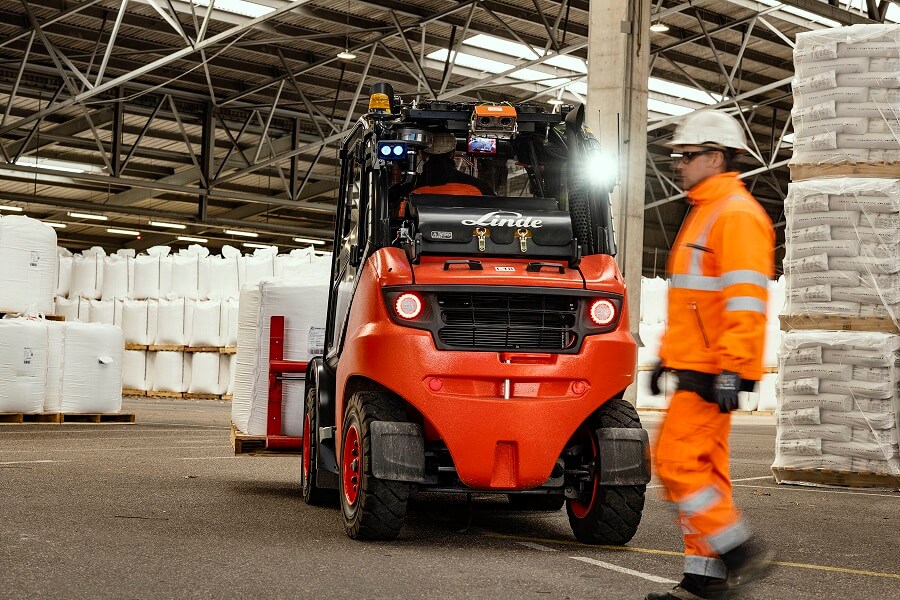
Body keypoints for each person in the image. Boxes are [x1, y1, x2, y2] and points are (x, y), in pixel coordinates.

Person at [647, 110, 775, 600]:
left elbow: (746, 300)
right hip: (697, 363)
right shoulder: (705, 210)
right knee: (708, 473)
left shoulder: (736, 215)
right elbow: (691, 301)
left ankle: (739, 549)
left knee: (676, 463)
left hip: (712, 369)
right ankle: (704, 579)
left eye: (687, 155)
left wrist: (735, 368)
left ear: (715, 157)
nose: (678, 165)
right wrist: (665, 356)